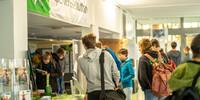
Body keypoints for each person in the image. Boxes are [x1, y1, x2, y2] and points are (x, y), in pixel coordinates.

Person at [78, 34, 120, 100]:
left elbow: (87, 75)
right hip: (108, 91)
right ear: (95, 43)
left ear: (84, 45)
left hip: (92, 93)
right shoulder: (106, 54)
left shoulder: (80, 59)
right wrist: (116, 84)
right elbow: (116, 72)